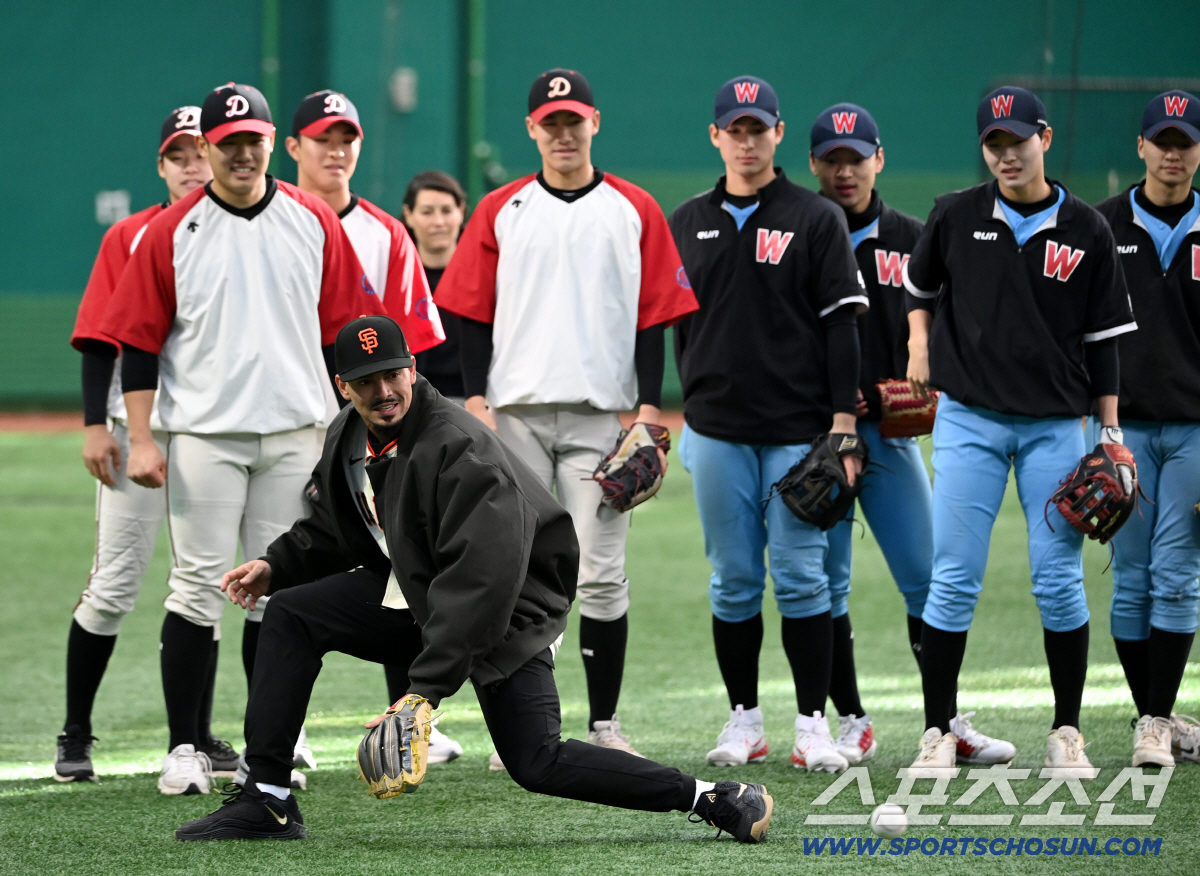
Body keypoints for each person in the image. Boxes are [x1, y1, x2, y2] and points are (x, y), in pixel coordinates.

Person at [172, 315, 773, 844]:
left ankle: (711, 797)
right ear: (343, 387)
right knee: (291, 613)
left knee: (535, 761)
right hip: (427, 593)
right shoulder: (349, 435)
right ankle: (268, 799)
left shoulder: (459, 447)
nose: (383, 391)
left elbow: (486, 579)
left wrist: (423, 692)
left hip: (511, 612)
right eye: (367, 380)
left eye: (392, 374)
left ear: (413, 368)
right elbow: (337, 526)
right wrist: (278, 563)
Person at [98, 82, 383, 796]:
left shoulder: (312, 219)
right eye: (230, 143)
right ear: (208, 150)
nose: (244, 152)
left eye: (254, 139)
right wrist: (141, 436)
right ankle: (186, 747)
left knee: (277, 594)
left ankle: (269, 750)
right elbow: (137, 343)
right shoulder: (172, 231)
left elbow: (347, 331)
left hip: (296, 432)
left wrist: (361, 427)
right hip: (204, 435)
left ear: (268, 143)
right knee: (196, 588)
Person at [435, 68, 697, 759]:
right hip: (513, 416)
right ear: (532, 130)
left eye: (573, 121)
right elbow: (469, 310)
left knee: (601, 570)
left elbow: (653, 319)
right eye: (550, 123)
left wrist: (647, 407)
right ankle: (520, 726)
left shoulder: (634, 208)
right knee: (516, 572)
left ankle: (604, 724)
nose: (562, 133)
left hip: (598, 419)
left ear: (594, 124)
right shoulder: (501, 208)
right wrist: (475, 401)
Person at [903, 86, 1136, 769]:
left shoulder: (1088, 229)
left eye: (1019, 140)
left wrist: (1110, 433)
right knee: (953, 579)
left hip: (1055, 427)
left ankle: (1067, 732)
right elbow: (919, 289)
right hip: (970, 419)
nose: (1008, 155)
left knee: (1058, 579)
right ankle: (938, 732)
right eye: (994, 144)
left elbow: (1105, 343)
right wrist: (919, 343)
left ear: (1046, 139)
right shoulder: (954, 215)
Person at [669, 76, 868, 774]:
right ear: (716, 136)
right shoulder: (686, 218)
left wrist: (842, 426)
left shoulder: (815, 218)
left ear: (778, 134)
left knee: (803, 577)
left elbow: (842, 326)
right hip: (718, 428)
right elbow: (677, 326)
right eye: (735, 129)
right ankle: (745, 719)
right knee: (732, 580)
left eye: (758, 128)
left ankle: (812, 725)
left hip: (797, 432)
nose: (746, 140)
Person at [284, 91, 459, 764]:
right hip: (292, 418)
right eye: (322, 137)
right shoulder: (275, 220)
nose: (337, 150)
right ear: (293, 147)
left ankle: (409, 717)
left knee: (403, 563)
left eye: (347, 137)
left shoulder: (386, 232)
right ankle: (285, 726)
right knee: (296, 569)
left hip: (370, 431)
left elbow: (415, 343)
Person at [56, 107, 217, 783]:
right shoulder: (129, 235)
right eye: (178, 155)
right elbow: (101, 335)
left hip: (213, 431)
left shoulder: (242, 229)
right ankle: (76, 733)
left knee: (205, 583)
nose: (191, 165)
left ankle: (197, 737)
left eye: (200, 151)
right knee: (115, 585)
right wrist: (97, 422)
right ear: (161, 166)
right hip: (134, 429)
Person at [806, 102, 934, 766]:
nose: (845, 170)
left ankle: (947, 718)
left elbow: (947, 339)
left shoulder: (916, 237)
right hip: (821, 441)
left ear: (878, 159)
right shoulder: (797, 230)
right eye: (832, 159)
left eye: (856, 158)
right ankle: (850, 718)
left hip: (888, 436)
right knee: (825, 584)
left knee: (926, 578)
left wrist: (909, 386)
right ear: (813, 165)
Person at [1095, 90, 1200, 767]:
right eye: (1160, 139)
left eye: (1184, 140)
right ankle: (1153, 717)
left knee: (1178, 574)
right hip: (1122, 428)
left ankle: (1157, 720)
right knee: (1132, 576)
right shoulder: (1101, 227)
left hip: (1196, 428)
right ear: (1140, 147)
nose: (1172, 151)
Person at [404, 170, 468, 403]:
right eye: (427, 212)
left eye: (447, 211)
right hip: (415, 401)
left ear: (461, 212)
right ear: (408, 215)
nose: (438, 222)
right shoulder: (397, 276)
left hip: (474, 400)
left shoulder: (484, 272)